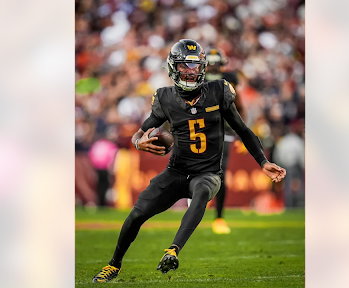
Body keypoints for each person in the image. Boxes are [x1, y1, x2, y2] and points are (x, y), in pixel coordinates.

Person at [92, 39, 286, 283]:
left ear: (203, 67)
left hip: (208, 173)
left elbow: (243, 129)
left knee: (203, 190)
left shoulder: (219, 91)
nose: (192, 71)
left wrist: (262, 161)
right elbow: (142, 131)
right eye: (185, 65)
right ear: (174, 67)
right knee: (136, 214)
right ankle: (113, 265)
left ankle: (173, 249)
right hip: (177, 171)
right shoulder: (165, 97)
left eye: (195, 65)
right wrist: (137, 142)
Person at [204, 46, 245, 234]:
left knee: (220, 174)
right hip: (201, 131)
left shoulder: (229, 79)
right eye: (210, 64)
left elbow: (240, 106)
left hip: (223, 131)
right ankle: (195, 207)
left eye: (215, 63)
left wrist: (241, 130)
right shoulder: (198, 79)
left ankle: (219, 217)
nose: (212, 67)